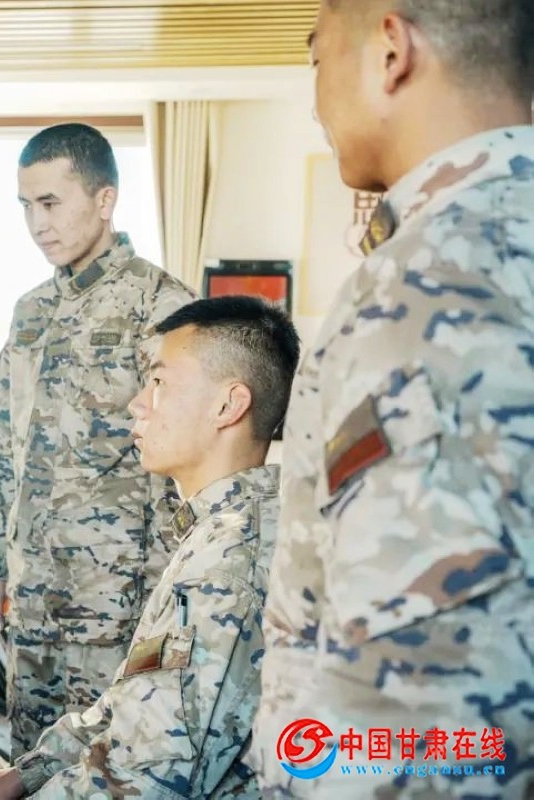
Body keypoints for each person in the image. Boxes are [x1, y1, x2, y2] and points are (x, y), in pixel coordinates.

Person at [254, 1, 534, 795]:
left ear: (389, 50)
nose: (314, 100)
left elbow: (426, 712)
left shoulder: (429, 280)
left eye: (317, 58)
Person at [0, 295, 300, 798]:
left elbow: (148, 781)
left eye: (159, 383)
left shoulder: (226, 566)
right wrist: (26, 775)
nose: (138, 403)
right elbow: (135, 701)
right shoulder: (223, 530)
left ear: (228, 405)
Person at [0, 122, 196, 757]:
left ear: (104, 199)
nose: (37, 224)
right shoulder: (30, 312)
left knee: (109, 766)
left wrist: (168, 599)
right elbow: (8, 447)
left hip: (119, 606)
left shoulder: (162, 304)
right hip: (34, 601)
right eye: (26, 206)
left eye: (51, 203)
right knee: (28, 763)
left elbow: (187, 463)